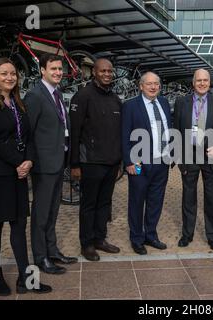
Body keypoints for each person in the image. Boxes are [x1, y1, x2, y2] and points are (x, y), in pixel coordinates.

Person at [0, 58, 51, 295]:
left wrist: (28, 160)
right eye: (4, 73)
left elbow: (27, 137)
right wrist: (19, 161)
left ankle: (25, 278)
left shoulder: (19, 103)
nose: (9, 77)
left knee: (19, 225)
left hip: (18, 173)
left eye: (13, 74)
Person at [24, 53, 77, 274]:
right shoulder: (35, 96)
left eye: (59, 69)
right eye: (53, 69)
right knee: (41, 213)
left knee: (53, 211)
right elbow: (28, 133)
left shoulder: (57, 93)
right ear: (42, 71)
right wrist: (32, 161)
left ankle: (52, 251)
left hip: (58, 162)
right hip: (44, 165)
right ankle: (40, 257)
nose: (58, 72)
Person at [70, 58, 122, 261]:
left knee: (104, 204)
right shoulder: (82, 97)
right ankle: (87, 244)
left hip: (111, 163)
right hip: (90, 162)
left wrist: (120, 162)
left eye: (110, 71)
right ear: (94, 72)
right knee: (88, 205)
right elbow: (75, 132)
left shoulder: (116, 99)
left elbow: (118, 133)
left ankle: (100, 238)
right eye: (103, 71)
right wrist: (74, 164)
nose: (107, 74)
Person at [174, 68, 213, 251]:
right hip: (189, 155)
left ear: (209, 82)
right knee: (188, 197)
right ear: (193, 82)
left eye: (205, 80)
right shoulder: (181, 102)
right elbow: (176, 131)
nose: (202, 83)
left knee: (211, 197)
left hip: (210, 156)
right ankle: (187, 234)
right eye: (199, 80)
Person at [121, 71, 171, 255]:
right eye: (148, 84)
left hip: (162, 162)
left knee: (155, 201)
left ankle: (151, 234)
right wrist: (129, 162)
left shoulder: (164, 103)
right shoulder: (130, 106)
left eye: (156, 84)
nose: (152, 87)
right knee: (136, 201)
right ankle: (136, 238)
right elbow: (125, 135)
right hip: (140, 163)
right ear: (141, 86)